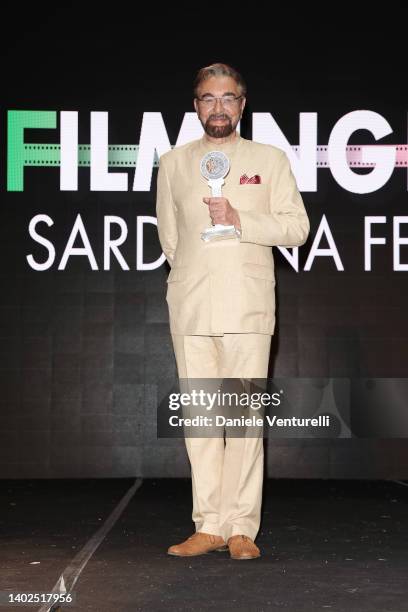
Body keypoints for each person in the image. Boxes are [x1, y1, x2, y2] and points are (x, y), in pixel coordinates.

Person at [155, 63, 310, 560]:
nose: (217, 107)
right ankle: (209, 525)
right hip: (192, 307)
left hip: (247, 307)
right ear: (195, 105)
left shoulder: (269, 158)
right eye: (207, 98)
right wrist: (196, 278)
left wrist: (242, 220)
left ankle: (242, 526)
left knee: (243, 419)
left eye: (227, 98)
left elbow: (296, 228)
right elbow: (171, 239)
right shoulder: (174, 163)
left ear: (243, 105)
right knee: (201, 419)